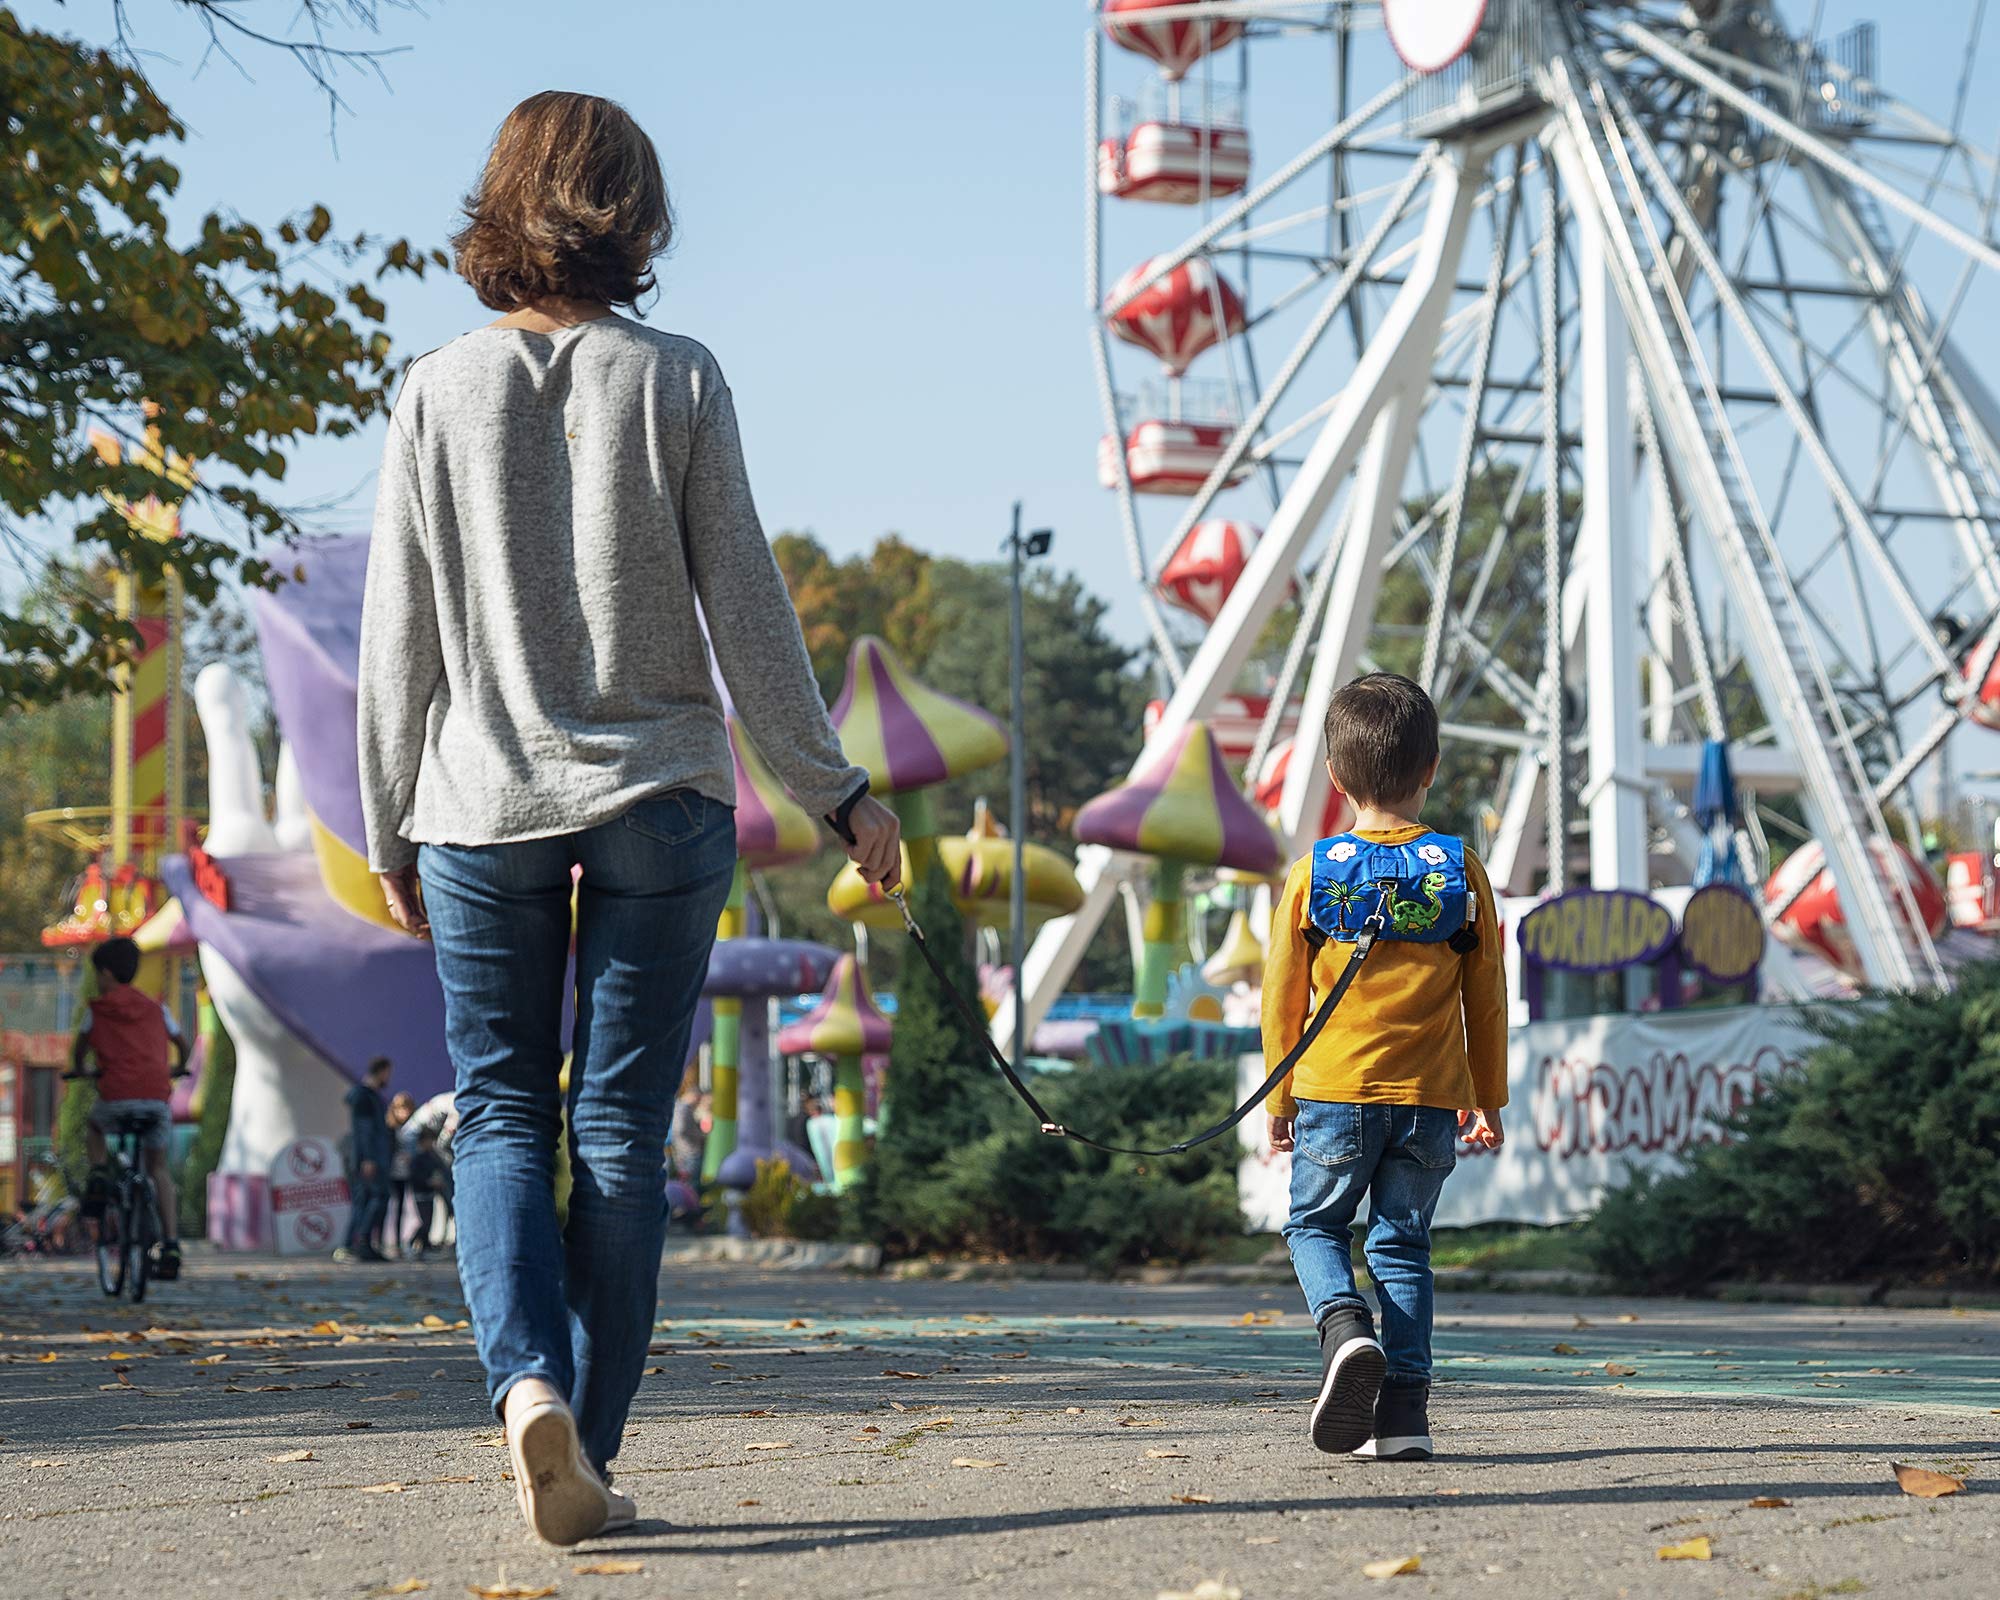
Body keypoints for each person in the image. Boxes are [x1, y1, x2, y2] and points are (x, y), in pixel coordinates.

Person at [355, 90, 901, 1547]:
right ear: (635, 213)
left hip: (483, 800)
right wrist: (831, 789)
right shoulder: (681, 379)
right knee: (619, 1123)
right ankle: (586, 1443)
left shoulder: (434, 389)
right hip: (661, 792)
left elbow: (397, 630)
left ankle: (524, 1388)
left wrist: (387, 825)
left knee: (502, 1114)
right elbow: (749, 604)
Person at [1261, 673, 1507, 1463]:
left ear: (1334, 777)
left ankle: (1343, 1331)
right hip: (1432, 1098)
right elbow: (1488, 991)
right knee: (1402, 1245)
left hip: (1332, 1091)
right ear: (1432, 767)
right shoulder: (1460, 868)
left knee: (1314, 1224)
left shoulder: (1314, 873)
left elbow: (1281, 994)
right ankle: (1404, 1421)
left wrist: (1279, 1089)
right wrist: (1488, 1094)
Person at [73, 936, 189, 1281]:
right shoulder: (157, 1008)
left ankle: (97, 1175)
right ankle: (170, 1244)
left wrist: (83, 1071)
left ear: (106, 972)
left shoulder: (96, 1010)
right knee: (158, 1168)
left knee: (95, 1126)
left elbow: (79, 1053)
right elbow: (182, 1044)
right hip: (156, 1099)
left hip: (114, 1098)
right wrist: (177, 1067)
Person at [335, 1057, 395, 1264]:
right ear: (380, 1071)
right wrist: (368, 1158)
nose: (389, 1078)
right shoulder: (364, 1097)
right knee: (376, 1197)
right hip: (369, 1159)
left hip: (373, 1157)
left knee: (366, 1200)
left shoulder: (371, 1097)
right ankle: (359, 1242)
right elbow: (364, 1130)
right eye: (387, 1073)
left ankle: (361, 1244)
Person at [380, 1091, 417, 1256]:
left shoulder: (413, 1128)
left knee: (401, 1208)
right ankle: (380, 1241)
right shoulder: (389, 1128)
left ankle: (397, 1242)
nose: (404, 1113)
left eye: (407, 1109)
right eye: (401, 1109)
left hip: (404, 1173)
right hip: (390, 1172)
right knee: (383, 1206)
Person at [407, 1128, 452, 1262]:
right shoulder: (417, 1158)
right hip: (420, 1193)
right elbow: (415, 1176)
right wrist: (428, 1182)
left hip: (430, 1194)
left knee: (429, 1221)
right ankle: (412, 1242)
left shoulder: (433, 1156)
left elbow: (441, 1170)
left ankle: (425, 1247)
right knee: (425, 1222)